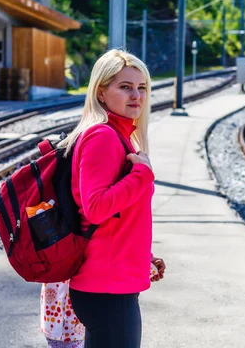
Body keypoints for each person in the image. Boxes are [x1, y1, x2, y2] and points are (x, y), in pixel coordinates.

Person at [58, 49, 166, 348]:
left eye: (142, 87)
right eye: (125, 87)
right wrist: (142, 173)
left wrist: (143, 255)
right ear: (101, 92)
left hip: (112, 282)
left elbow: (117, 214)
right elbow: (95, 209)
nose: (137, 96)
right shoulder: (103, 137)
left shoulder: (118, 136)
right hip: (105, 287)